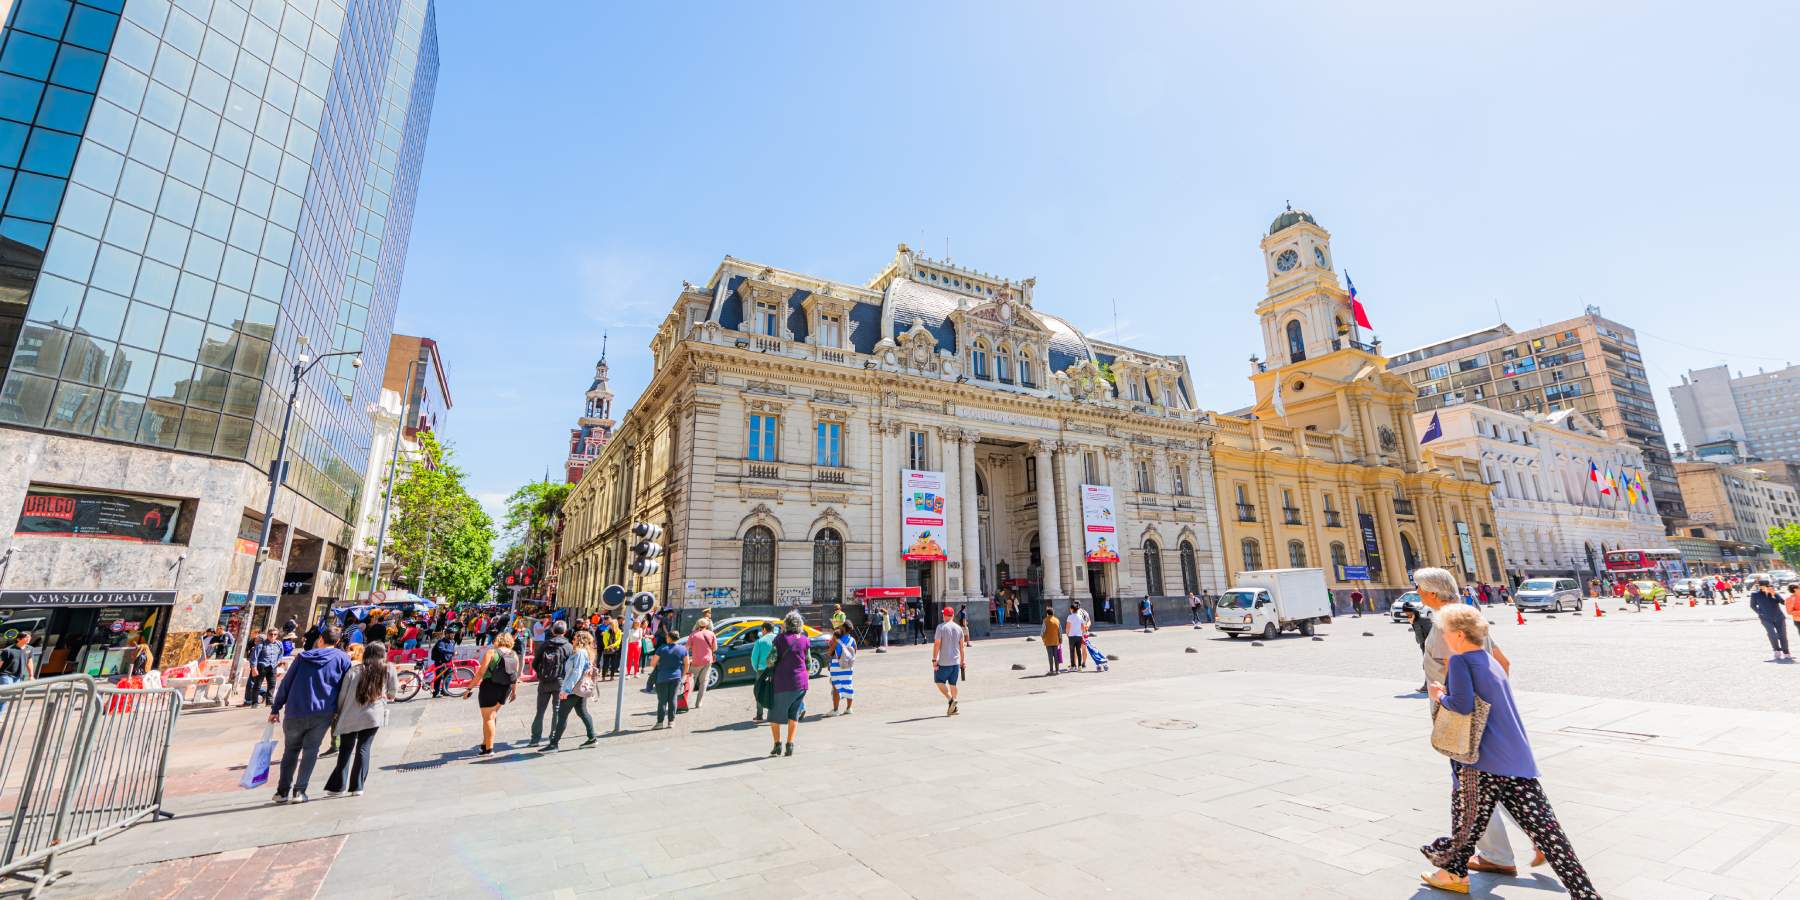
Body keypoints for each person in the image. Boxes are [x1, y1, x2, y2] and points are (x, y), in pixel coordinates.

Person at [1420, 606, 1597, 897]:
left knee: (1465, 826)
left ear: (1460, 634)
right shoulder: (1491, 662)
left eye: (1447, 632)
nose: (1445, 638)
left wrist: (1439, 694)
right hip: (1517, 761)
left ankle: (1450, 867)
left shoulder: (1462, 661)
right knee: (1551, 835)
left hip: (1482, 762)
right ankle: (1586, 893)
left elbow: (1462, 705)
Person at [1414, 567, 1531, 880]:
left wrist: (1445, 699)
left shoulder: (1444, 627)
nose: (1417, 593)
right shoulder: (1467, 617)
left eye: (1420, 589)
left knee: (1470, 789)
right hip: (1484, 715)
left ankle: (1495, 856)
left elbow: (1456, 671)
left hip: (1461, 719)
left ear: (1433, 593)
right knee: (1496, 782)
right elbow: (1503, 663)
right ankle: (1537, 836)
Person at [267, 626, 352, 804]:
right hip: (323, 712)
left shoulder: (302, 657)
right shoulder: (343, 659)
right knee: (311, 751)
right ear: (337, 642)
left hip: (295, 710)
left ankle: (282, 792)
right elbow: (346, 687)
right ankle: (300, 791)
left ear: (320, 639)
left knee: (290, 751)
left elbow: (286, 684)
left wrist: (276, 708)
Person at [322, 641, 396, 798]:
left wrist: (339, 711)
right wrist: (385, 696)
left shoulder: (353, 670)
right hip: (372, 715)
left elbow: (342, 695)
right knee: (364, 748)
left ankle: (338, 787)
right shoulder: (388, 669)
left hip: (350, 714)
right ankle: (357, 786)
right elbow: (392, 693)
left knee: (345, 749)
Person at [541, 629, 599, 752]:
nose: (572, 640)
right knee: (582, 713)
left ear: (578, 640)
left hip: (573, 690)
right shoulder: (585, 653)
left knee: (561, 716)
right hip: (579, 689)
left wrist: (566, 690)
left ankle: (554, 744)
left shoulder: (579, 653)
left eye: (574, 639)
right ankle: (592, 737)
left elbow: (576, 673)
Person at [766, 611, 811, 754]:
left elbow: (770, 661)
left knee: (774, 714)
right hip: (801, 683)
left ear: (786, 624)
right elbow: (808, 663)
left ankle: (777, 744)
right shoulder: (804, 639)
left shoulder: (779, 639)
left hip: (783, 682)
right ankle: (790, 744)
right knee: (794, 714)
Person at [472, 632, 519, 756]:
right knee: (492, 716)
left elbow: (481, 673)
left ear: (497, 640)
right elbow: (515, 676)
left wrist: (469, 688)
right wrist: (514, 691)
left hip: (490, 687)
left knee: (488, 718)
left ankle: (489, 749)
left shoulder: (492, 652)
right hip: (506, 688)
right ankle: (484, 745)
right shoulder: (514, 654)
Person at [529, 621, 572, 745]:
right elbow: (570, 666)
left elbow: (535, 663)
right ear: (565, 631)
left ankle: (535, 739)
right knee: (557, 710)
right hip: (560, 682)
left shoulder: (545, 644)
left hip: (544, 681)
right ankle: (553, 736)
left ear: (553, 631)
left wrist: (541, 675)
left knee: (540, 711)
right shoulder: (568, 646)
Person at [651, 623, 689, 730]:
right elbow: (687, 664)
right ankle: (671, 722)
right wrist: (683, 675)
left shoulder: (662, 649)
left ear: (669, 637)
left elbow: (653, 664)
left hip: (662, 677)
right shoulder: (683, 649)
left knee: (662, 701)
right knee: (673, 699)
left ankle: (659, 723)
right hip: (676, 677)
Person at [933, 606, 966, 716]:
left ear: (945, 615)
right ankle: (954, 707)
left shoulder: (941, 627)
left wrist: (934, 659)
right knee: (953, 684)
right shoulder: (959, 628)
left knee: (938, 681)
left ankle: (951, 699)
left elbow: (937, 644)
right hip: (956, 662)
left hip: (944, 662)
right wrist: (963, 661)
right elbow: (962, 647)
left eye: (943, 614)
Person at [1749, 578, 1791, 661]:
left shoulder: (1773, 593)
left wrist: (1774, 594)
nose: (1767, 587)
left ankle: (1786, 652)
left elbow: (1783, 602)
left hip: (1779, 617)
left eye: (1768, 586)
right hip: (1766, 618)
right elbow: (1752, 606)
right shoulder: (1755, 594)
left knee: (1783, 635)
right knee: (1772, 634)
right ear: (1760, 586)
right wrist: (1760, 613)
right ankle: (1776, 650)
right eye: (1765, 586)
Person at [243, 630, 282, 707]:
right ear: (267, 635)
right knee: (257, 685)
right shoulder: (261, 645)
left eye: (275, 634)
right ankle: (254, 702)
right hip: (262, 666)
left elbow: (281, 654)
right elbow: (254, 657)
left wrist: (278, 661)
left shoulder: (279, 644)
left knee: (272, 684)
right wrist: (254, 668)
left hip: (273, 666)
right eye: (271, 634)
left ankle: (269, 702)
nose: (273, 636)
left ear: (277, 635)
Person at [686, 618, 717, 709]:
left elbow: (687, 647)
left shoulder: (693, 635)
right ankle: (698, 703)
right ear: (706, 625)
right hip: (707, 661)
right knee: (703, 682)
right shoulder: (711, 634)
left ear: (698, 625)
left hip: (696, 662)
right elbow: (714, 648)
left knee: (691, 682)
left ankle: (686, 702)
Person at [750, 622, 778, 723]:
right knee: (775, 691)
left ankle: (759, 716)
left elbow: (754, 658)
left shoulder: (760, 641)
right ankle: (774, 715)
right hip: (776, 669)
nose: (762, 632)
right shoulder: (778, 639)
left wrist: (756, 668)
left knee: (759, 691)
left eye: (762, 630)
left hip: (762, 670)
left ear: (765, 630)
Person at [0, 632, 32, 714]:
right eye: (26, 637)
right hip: (6, 675)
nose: (29, 639)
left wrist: (31, 675)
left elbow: (29, 662)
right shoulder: (8, 650)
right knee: (6, 695)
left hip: (18, 676)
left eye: (29, 637)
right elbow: (0, 663)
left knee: (9, 696)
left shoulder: (29, 649)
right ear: (19, 639)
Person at [829, 621, 856, 715]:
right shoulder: (853, 640)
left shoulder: (837, 640)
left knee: (836, 687)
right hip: (848, 666)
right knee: (848, 685)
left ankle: (835, 710)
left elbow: (830, 652)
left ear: (843, 628)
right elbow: (854, 654)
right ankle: (849, 708)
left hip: (837, 666)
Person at [428, 630, 458, 697]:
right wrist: (452, 652)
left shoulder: (452, 642)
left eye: (454, 634)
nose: (453, 635)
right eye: (452, 634)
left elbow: (451, 652)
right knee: (439, 677)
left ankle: (445, 691)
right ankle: (436, 692)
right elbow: (442, 650)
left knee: (449, 676)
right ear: (447, 634)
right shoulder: (441, 642)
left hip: (448, 662)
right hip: (440, 662)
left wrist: (452, 658)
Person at [1065, 601, 1089, 672]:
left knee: (1072, 651)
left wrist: (1067, 634)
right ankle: (1080, 666)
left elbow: (1067, 627)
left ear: (1072, 609)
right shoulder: (1080, 616)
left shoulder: (1069, 617)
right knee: (1079, 651)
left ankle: (1073, 666)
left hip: (1072, 636)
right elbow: (1082, 627)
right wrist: (1082, 634)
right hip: (1079, 636)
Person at [1041, 607, 1062, 675]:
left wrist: (1043, 638)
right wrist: (1060, 639)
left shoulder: (1045, 620)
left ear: (1047, 613)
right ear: (1053, 613)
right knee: (1056, 655)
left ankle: (1051, 670)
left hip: (1048, 641)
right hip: (1056, 641)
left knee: (1050, 656)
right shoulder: (1057, 620)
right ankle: (1057, 670)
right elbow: (1060, 631)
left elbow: (1042, 632)